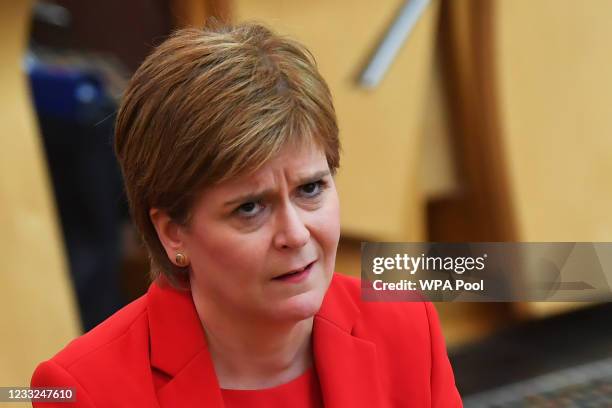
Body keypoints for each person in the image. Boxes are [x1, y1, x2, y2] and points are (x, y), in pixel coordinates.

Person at [31, 21, 462, 407]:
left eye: (311, 189)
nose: (294, 234)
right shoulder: (84, 392)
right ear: (172, 233)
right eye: (250, 208)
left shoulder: (406, 328)